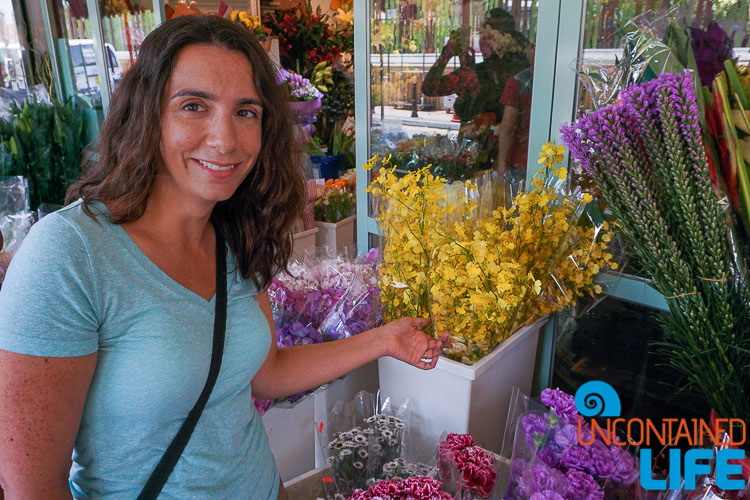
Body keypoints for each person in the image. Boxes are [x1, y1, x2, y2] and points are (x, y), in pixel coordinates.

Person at [0, 15, 449, 499]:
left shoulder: (234, 235)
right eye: (194, 106)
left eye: (246, 112)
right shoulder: (70, 255)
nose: (226, 139)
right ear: (146, 114)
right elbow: (33, 487)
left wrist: (382, 340)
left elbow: (267, 372)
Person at [421, 8, 529, 171]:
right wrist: (447, 54)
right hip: (470, 163)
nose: (484, 42)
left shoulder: (523, 75)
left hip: (510, 163)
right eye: (481, 36)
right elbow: (429, 88)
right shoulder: (472, 74)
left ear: (507, 39)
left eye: (491, 37)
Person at [496, 42, 536, 184]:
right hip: (555, 158)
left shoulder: (518, 81)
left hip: (522, 160)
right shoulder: (563, 80)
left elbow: (508, 127)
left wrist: (501, 163)